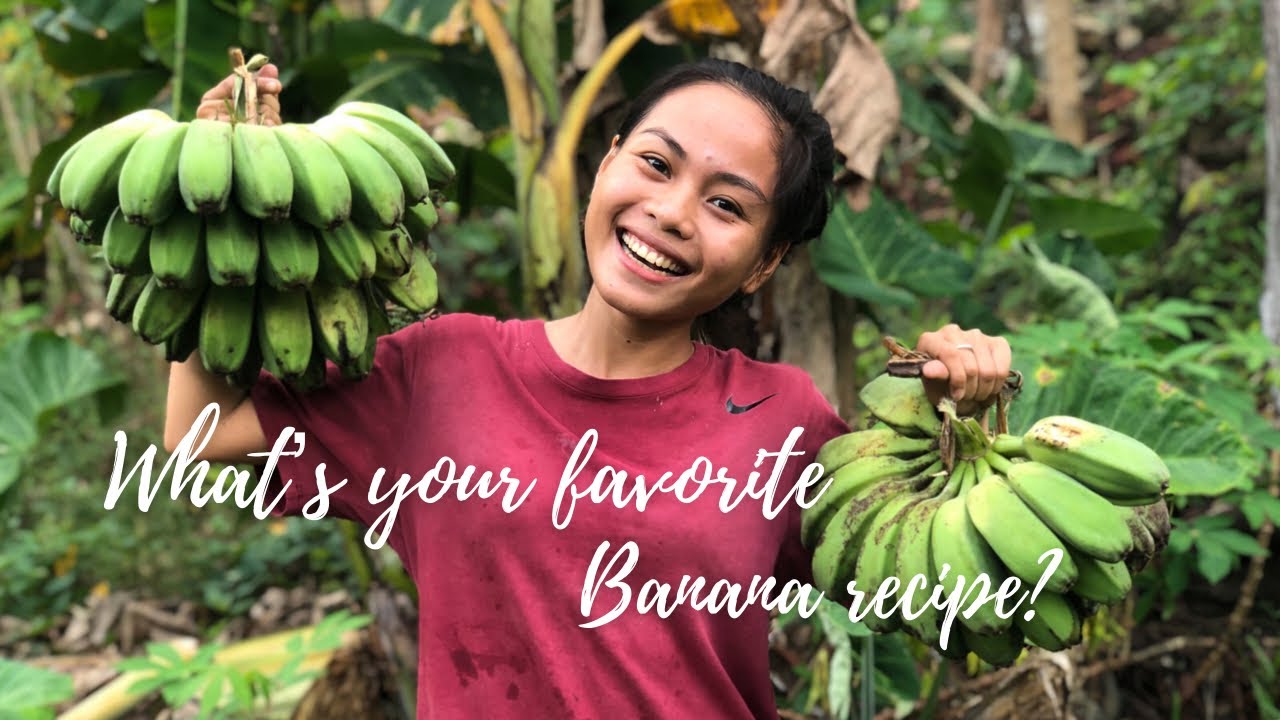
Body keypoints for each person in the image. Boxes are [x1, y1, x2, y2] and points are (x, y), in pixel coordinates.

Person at [169, 58, 1011, 719]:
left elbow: (939, 601)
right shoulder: (442, 370)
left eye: (727, 205)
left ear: (764, 264)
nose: (672, 212)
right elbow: (201, 432)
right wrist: (217, 205)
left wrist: (960, 430)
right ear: (607, 164)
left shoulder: (782, 420)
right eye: (655, 163)